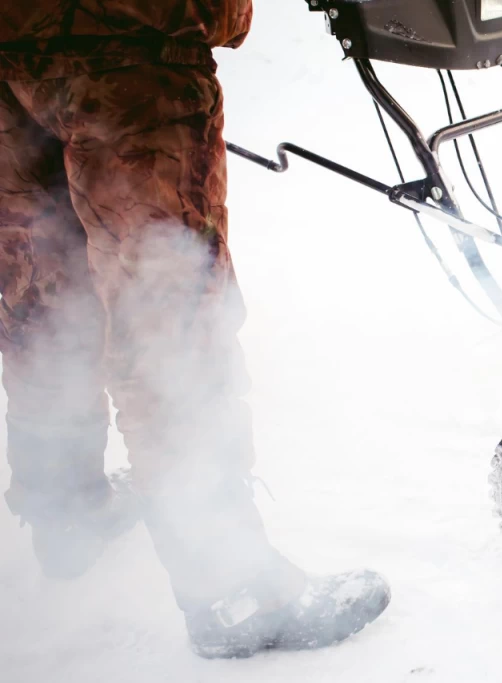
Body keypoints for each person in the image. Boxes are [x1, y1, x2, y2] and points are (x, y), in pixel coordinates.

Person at [0, 2, 390, 658]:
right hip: (126, 40)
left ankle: (68, 513)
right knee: (166, 299)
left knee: (41, 281)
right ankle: (233, 586)